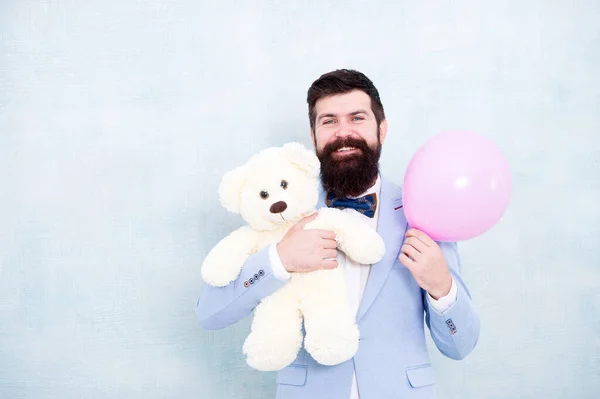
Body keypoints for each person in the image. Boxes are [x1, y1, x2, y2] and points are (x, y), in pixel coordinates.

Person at [196, 69, 480, 399]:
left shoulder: (423, 213)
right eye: (329, 121)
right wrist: (279, 260)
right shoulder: (281, 210)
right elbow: (210, 313)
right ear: (313, 135)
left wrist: (442, 287)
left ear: (382, 129)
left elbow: (461, 346)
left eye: (357, 118)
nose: (343, 132)